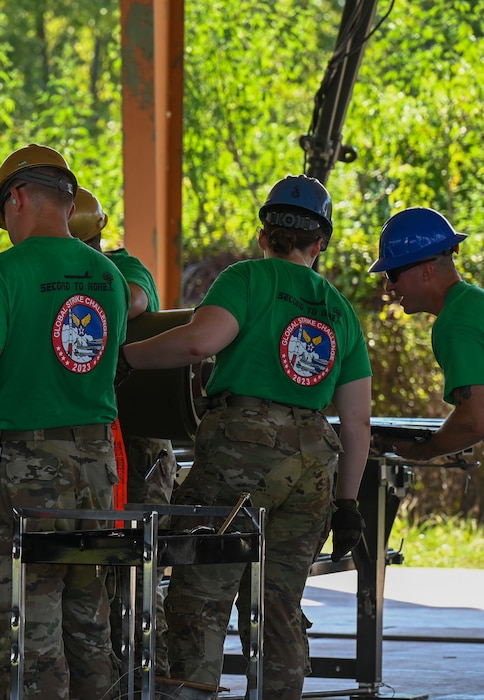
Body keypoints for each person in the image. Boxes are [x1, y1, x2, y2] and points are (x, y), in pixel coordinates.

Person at [119, 174, 372, 700]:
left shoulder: (248, 279)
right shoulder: (340, 310)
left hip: (243, 456)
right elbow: (356, 423)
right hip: (313, 470)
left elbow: (200, 342)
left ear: (265, 234)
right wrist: (347, 503)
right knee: (278, 605)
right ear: (319, 243)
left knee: (200, 596)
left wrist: (122, 359)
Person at [0, 144, 130, 700]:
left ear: (15, 199)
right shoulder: (107, 276)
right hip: (98, 467)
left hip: (27, 470)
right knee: (88, 616)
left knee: (29, 619)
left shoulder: (2, 273)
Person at [69, 185, 177, 684]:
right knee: (88, 574)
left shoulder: (123, 267)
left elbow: (133, 301)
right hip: (87, 447)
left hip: (139, 448)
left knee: (139, 576)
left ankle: (148, 679)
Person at [368, 207, 484, 459]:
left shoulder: (454, 323)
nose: (389, 285)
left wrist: (423, 450)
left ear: (425, 271)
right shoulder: (474, 302)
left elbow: (474, 421)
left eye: (392, 273)